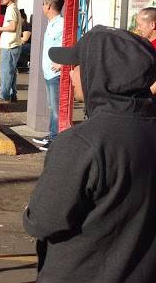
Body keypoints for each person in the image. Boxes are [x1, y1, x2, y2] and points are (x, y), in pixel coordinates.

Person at [23, 26, 156, 282]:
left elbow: (43, 221)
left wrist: (30, 209)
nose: (71, 73)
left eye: (77, 65)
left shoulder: (81, 143)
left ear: (100, 72)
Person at [32, 0, 64, 151]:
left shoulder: (62, 25)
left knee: (57, 108)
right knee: (52, 106)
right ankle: (51, 135)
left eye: (44, 4)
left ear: (49, 6)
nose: (42, 7)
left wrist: (62, 64)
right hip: (48, 73)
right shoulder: (51, 23)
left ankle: (56, 139)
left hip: (56, 75)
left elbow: (71, 46)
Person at [0, 0, 23, 102]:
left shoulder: (11, 9)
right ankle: (12, 94)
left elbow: (13, 27)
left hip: (9, 45)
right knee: (11, 71)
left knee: (6, 72)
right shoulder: (13, 8)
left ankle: (4, 96)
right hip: (13, 45)